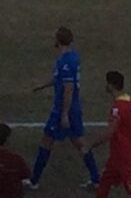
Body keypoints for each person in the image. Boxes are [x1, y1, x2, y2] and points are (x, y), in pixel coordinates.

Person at [27, 26, 100, 189]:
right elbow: (60, 79)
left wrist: (64, 114)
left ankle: (34, 181)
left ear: (57, 40)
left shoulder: (64, 61)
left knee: (46, 141)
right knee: (79, 142)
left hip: (63, 109)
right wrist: (42, 86)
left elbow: (68, 87)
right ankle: (96, 178)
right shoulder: (73, 57)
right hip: (73, 108)